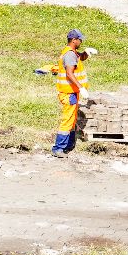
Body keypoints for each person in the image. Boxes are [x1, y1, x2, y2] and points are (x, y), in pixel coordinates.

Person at [35, 29, 96, 158]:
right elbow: (69, 73)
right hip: (69, 93)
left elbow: (79, 58)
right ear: (74, 40)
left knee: (72, 119)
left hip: (72, 92)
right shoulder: (69, 54)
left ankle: (69, 144)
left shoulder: (72, 52)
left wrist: (86, 53)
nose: (81, 41)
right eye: (80, 40)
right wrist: (81, 88)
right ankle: (58, 148)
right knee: (67, 120)